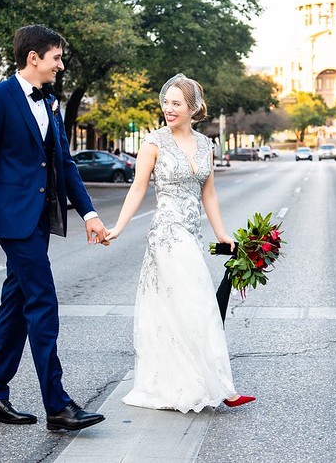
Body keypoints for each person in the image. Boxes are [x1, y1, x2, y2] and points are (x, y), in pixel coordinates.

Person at [0, 25, 108, 431]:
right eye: (57, 58)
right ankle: (58, 406)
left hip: (40, 218)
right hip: (13, 219)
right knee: (42, 302)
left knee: (15, 305)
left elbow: (63, 164)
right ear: (34, 58)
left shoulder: (52, 104)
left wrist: (90, 213)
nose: (61, 66)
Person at [104, 73, 255, 412]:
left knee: (177, 311)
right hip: (167, 236)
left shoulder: (206, 145)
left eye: (176, 104)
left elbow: (210, 194)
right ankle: (225, 388)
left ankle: (184, 384)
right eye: (166, 102)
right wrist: (118, 227)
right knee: (199, 303)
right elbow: (138, 189)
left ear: (193, 108)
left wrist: (221, 235)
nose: (168, 109)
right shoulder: (153, 143)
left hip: (192, 234)